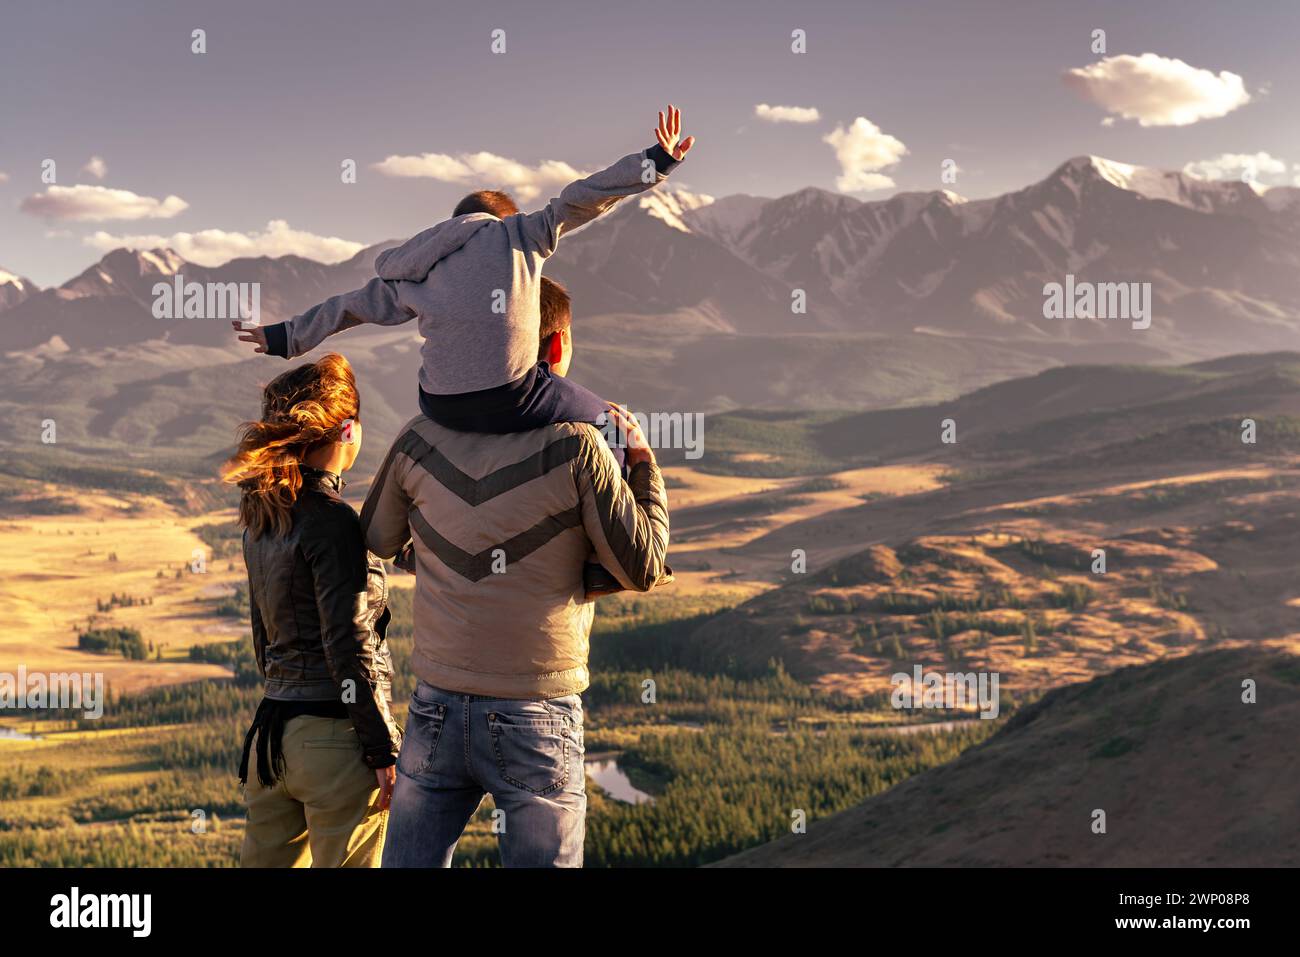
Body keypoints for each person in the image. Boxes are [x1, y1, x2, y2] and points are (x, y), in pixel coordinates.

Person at [360, 319, 671, 866]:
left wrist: (435, 554)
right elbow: (643, 565)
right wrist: (643, 460)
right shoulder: (578, 448)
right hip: (537, 711)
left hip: (436, 704)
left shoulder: (418, 439)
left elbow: (379, 538)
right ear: (553, 346)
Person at [221, 353, 400, 867]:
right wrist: (382, 748)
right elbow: (350, 641)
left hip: (272, 740)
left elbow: (264, 636)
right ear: (348, 431)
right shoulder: (335, 521)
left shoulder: (262, 517)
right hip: (335, 741)